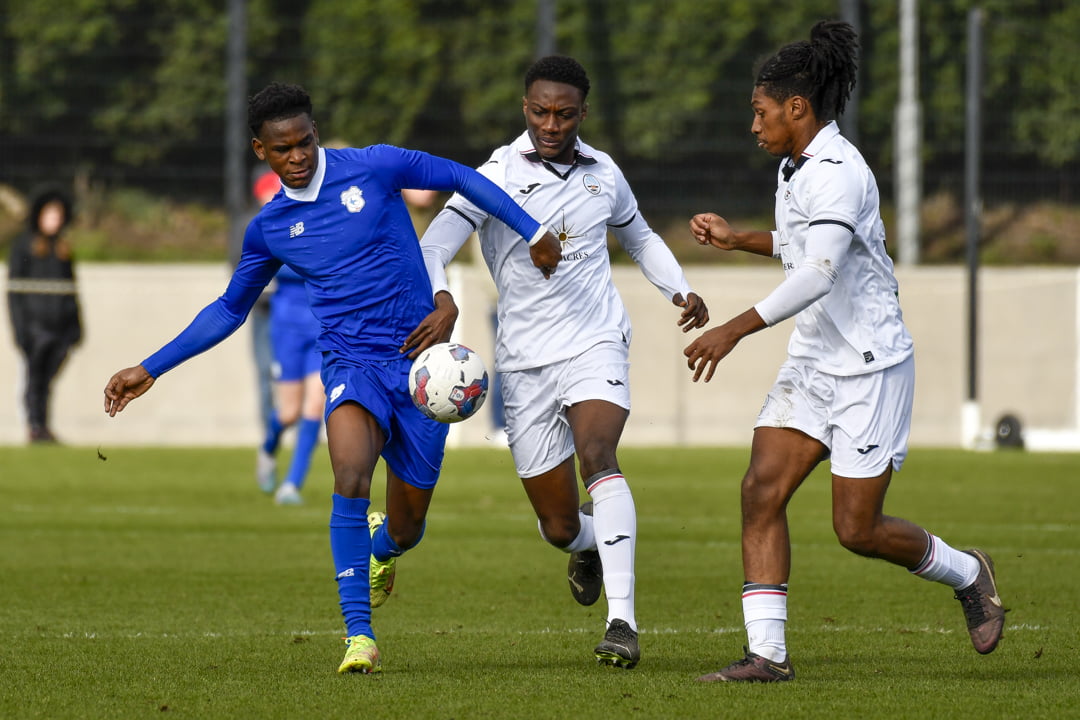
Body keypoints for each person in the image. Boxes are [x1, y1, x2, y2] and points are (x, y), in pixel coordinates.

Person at [103, 81, 562, 675]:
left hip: (422, 369)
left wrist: (534, 230)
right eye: (281, 149)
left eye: (304, 143)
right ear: (259, 151)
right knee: (348, 470)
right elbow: (229, 309)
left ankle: (382, 550)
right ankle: (359, 637)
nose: (296, 157)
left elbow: (463, 177)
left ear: (315, 134)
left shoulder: (374, 166)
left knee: (407, 527)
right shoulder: (268, 228)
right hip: (351, 363)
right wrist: (150, 367)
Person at [683, 20, 1005, 683]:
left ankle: (969, 572)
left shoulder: (840, 172)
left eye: (760, 111)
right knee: (759, 492)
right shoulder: (794, 166)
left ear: (797, 108)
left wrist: (733, 328)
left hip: (868, 366)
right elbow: (801, 247)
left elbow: (819, 273)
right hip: (813, 359)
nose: (754, 124)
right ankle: (767, 656)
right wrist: (739, 238)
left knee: (856, 530)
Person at [415, 55, 709, 669]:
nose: (552, 123)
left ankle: (623, 622)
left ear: (583, 112)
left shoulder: (604, 172)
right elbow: (433, 245)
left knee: (599, 456)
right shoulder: (492, 174)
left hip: (595, 340)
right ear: (525, 108)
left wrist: (678, 289)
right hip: (524, 362)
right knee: (558, 526)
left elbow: (641, 238)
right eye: (541, 111)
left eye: (565, 113)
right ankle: (590, 545)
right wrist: (444, 298)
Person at [7, 188, 82, 444]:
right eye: (50, 214)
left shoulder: (63, 250)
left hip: (59, 328)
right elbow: (14, 292)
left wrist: (76, 327)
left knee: (47, 381)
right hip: (35, 327)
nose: (55, 220)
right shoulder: (24, 247)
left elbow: (71, 291)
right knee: (34, 379)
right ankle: (35, 426)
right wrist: (20, 329)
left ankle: (43, 426)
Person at [257, 260, 325, 506]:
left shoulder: (334, 225)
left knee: (316, 403)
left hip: (323, 321)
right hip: (287, 324)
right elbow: (268, 263)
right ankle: (268, 448)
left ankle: (291, 485)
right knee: (288, 413)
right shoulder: (281, 225)